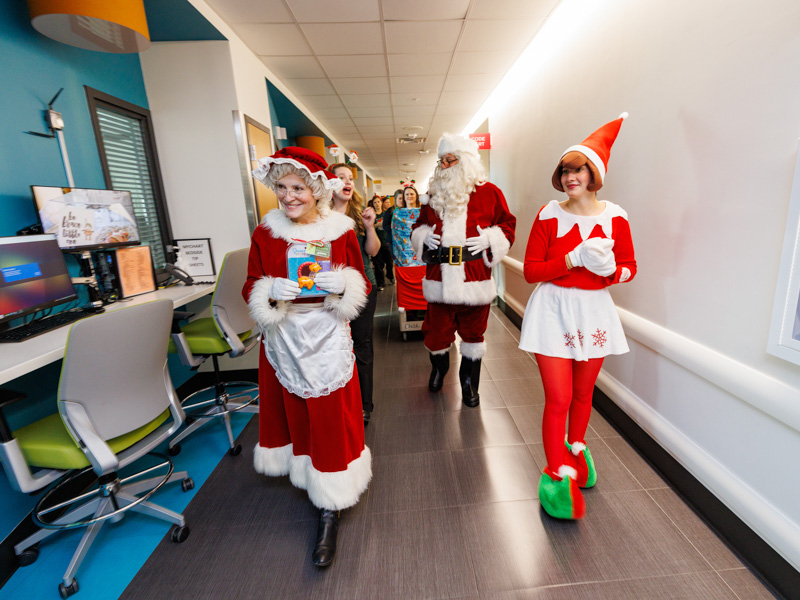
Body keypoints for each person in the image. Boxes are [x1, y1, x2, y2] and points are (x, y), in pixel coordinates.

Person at [244, 146, 372, 567]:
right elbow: (250, 285)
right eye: (281, 187)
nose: (288, 196)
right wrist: (267, 291)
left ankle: (331, 504)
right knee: (298, 414)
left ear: (317, 189)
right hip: (284, 337)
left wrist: (344, 284)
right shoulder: (266, 233)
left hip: (328, 335)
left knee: (331, 416)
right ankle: (310, 479)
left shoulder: (342, 231)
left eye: (298, 187)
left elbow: (361, 285)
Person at [518, 113, 636, 520]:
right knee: (560, 396)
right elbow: (532, 270)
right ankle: (556, 474)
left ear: (594, 174)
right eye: (566, 170)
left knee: (585, 395)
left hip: (594, 312)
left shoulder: (616, 217)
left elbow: (629, 267)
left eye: (579, 169)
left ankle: (576, 453)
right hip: (552, 308)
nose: (571, 177)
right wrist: (570, 258)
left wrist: (609, 271)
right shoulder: (549, 214)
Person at [411, 134, 516, 407]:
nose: (445, 166)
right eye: (442, 161)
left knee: (473, 334)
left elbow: (507, 225)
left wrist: (490, 239)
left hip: (474, 276)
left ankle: (469, 383)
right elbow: (418, 226)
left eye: (451, 160)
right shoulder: (433, 195)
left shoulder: (491, 192)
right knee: (436, 334)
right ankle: (439, 368)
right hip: (439, 277)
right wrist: (423, 236)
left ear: (466, 161)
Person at [328, 163, 379, 425]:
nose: (347, 182)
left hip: (362, 290)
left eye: (350, 178)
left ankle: (364, 404)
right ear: (328, 183)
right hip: (329, 294)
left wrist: (369, 227)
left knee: (362, 345)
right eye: (340, 178)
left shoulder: (359, 215)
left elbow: (373, 252)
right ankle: (339, 400)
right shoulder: (319, 218)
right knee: (334, 347)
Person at [370, 194, 393, 289]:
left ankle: (390, 276)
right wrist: (378, 224)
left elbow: (389, 225)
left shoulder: (386, 214)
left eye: (378, 202)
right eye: (375, 202)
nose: (377, 204)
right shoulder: (372, 215)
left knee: (390, 262)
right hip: (376, 243)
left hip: (386, 241)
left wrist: (383, 224)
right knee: (378, 265)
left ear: (381, 203)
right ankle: (381, 284)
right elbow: (369, 227)